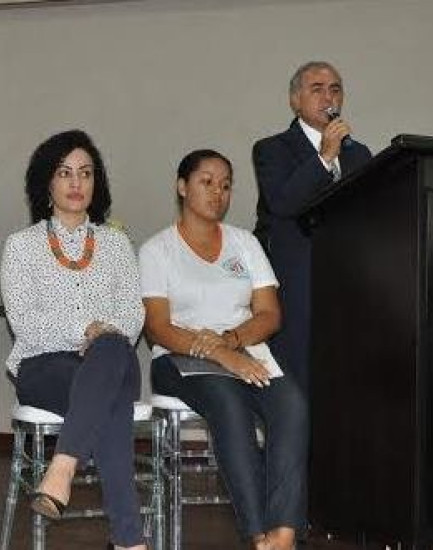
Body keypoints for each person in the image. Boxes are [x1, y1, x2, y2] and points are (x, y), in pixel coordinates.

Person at [140, 149, 306, 550]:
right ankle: (257, 532)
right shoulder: (157, 250)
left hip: (246, 351)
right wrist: (217, 354)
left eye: (226, 185)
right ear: (182, 187)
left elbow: (269, 314)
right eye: (207, 182)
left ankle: (283, 532)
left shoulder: (244, 243)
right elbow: (158, 327)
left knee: (292, 404)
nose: (218, 192)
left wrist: (232, 341)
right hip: (180, 358)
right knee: (229, 403)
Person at [0, 130, 146, 550]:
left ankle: (61, 469)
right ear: (46, 182)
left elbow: (133, 316)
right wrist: (87, 329)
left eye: (85, 173)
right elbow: (26, 323)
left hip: (112, 360)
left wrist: (102, 337)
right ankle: (128, 541)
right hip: (44, 367)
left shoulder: (117, 244)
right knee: (110, 403)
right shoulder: (21, 246)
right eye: (65, 173)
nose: (76, 183)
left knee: (113, 348)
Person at [252, 61, 372, 397]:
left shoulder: (359, 154)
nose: (328, 97)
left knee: (348, 388)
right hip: (299, 289)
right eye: (316, 89)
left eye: (335, 89)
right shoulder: (271, 149)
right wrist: (324, 158)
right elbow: (284, 203)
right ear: (294, 100)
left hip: (350, 289)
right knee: (301, 393)